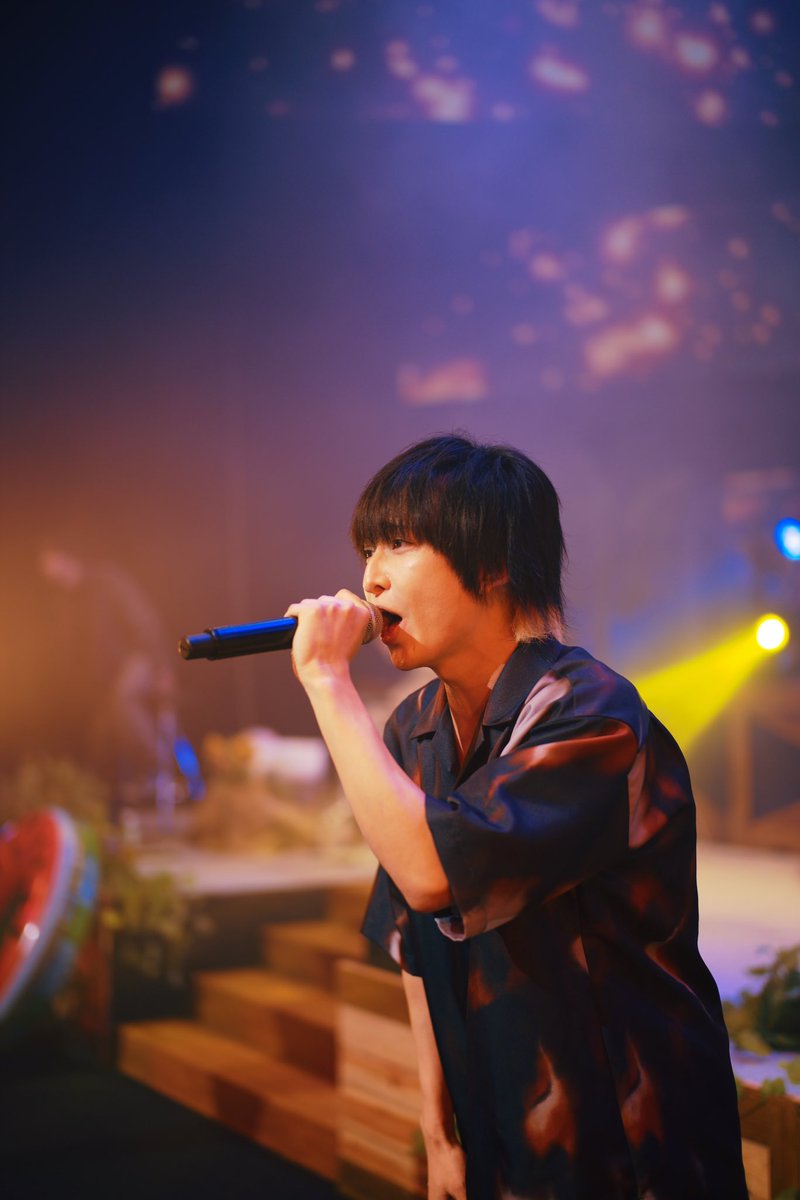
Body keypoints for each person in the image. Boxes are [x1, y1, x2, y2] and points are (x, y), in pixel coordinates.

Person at [286, 434, 747, 1200]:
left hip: (631, 1147)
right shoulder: (413, 728)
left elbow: (434, 873)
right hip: (503, 1132)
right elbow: (414, 942)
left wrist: (327, 681)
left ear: (494, 562)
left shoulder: (591, 716)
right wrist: (439, 1130)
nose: (371, 576)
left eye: (400, 543)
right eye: (369, 548)